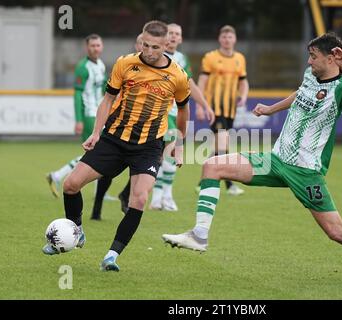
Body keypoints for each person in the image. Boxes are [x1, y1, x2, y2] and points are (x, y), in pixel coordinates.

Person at [162, 33, 342, 283]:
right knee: (212, 165)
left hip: (304, 172)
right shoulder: (310, 75)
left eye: (313, 56)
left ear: (332, 59)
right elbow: (299, 94)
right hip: (276, 160)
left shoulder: (340, 88)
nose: (309, 62)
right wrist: (270, 109)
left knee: (337, 232)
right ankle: (199, 235)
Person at [42, 20, 191, 272]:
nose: (148, 51)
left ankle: (111, 256)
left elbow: (185, 110)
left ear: (166, 45)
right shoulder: (125, 63)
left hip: (148, 146)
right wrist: (96, 133)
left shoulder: (177, 75)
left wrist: (180, 141)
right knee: (70, 184)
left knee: (139, 199)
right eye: (145, 44)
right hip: (114, 139)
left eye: (155, 47)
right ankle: (76, 231)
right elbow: (108, 99)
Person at [117, 23, 215, 213]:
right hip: (154, 114)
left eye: (177, 34)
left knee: (165, 156)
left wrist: (204, 104)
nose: (173, 37)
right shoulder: (151, 57)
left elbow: (190, 85)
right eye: (170, 33)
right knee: (161, 155)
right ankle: (160, 197)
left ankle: (160, 197)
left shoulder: (181, 60)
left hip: (172, 114)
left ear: (181, 38)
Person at [46, 34, 115, 220]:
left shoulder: (100, 65)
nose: (95, 48)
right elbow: (77, 94)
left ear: (102, 47)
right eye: (92, 45)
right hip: (88, 115)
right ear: (87, 47)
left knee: (97, 152)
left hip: (98, 114)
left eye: (98, 45)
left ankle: (60, 176)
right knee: (95, 152)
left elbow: (103, 93)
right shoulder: (82, 67)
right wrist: (78, 119)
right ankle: (59, 175)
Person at [196, 25, 249, 196]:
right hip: (214, 108)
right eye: (224, 37)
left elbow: (243, 81)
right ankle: (230, 185)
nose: (227, 40)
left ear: (235, 39)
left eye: (230, 37)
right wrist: (199, 105)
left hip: (230, 109)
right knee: (223, 144)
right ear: (220, 39)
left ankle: (202, 182)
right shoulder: (210, 57)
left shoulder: (239, 58)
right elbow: (202, 82)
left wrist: (244, 95)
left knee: (220, 147)